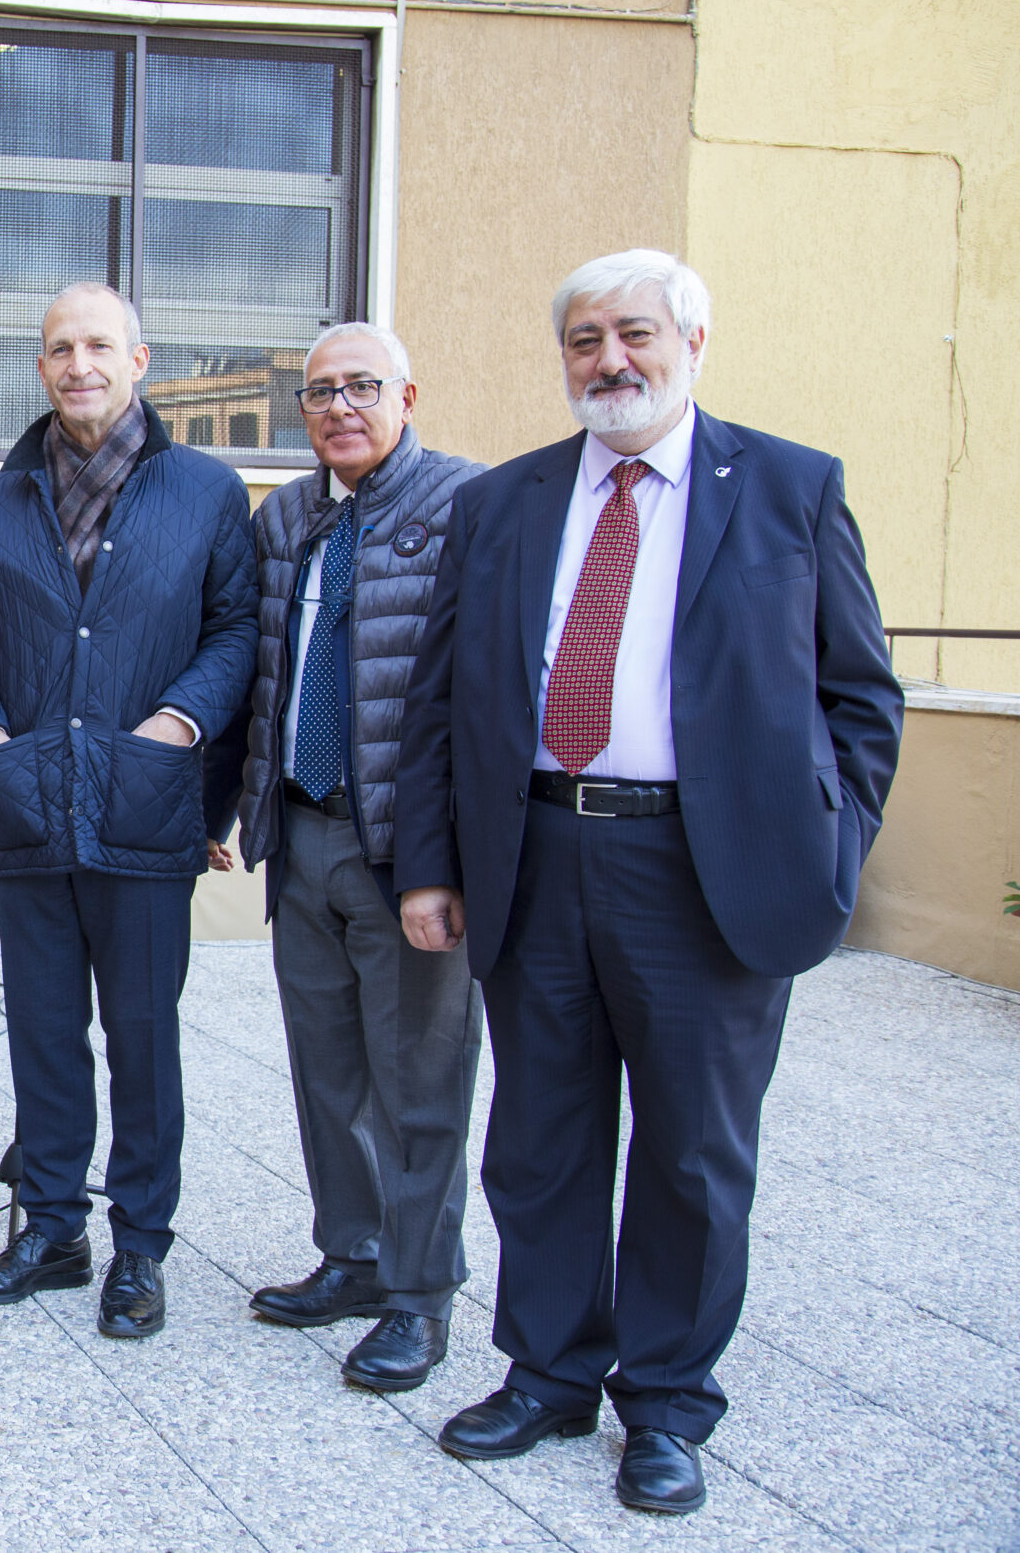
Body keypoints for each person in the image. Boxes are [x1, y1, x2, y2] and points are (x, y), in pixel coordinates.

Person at [395, 250, 902, 1515]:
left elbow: (861, 699)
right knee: (540, 1139)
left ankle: (668, 1403)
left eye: (633, 334)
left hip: (704, 872)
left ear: (690, 342)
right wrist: (433, 864)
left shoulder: (788, 488)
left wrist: (822, 844)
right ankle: (548, 1373)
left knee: (690, 1153)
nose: (608, 360)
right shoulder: (504, 501)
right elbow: (440, 702)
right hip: (539, 853)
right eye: (582, 340)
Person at [0, 281, 258, 1337]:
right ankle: (49, 1228)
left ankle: (142, 1247)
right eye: (59, 349)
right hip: (29, 804)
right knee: (40, 1031)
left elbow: (233, 633)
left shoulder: (205, 492)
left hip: (145, 805)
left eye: (97, 347)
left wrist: (174, 728)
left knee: (140, 1038)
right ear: (40, 368)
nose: (79, 365)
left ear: (139, 360)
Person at [222, 322, 483, 1391]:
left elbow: (479, 700)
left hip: (403, 854)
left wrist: (444, 861)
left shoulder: (469, 506)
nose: (338, 407)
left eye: (361, 387)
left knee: (419, 1082)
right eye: (319, 392)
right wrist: (232, 812)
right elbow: (260, 675)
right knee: (327, 1073)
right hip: (302, 832)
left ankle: (421, 1297)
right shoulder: (284, 516)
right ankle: (354, 1255)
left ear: (408, 394)